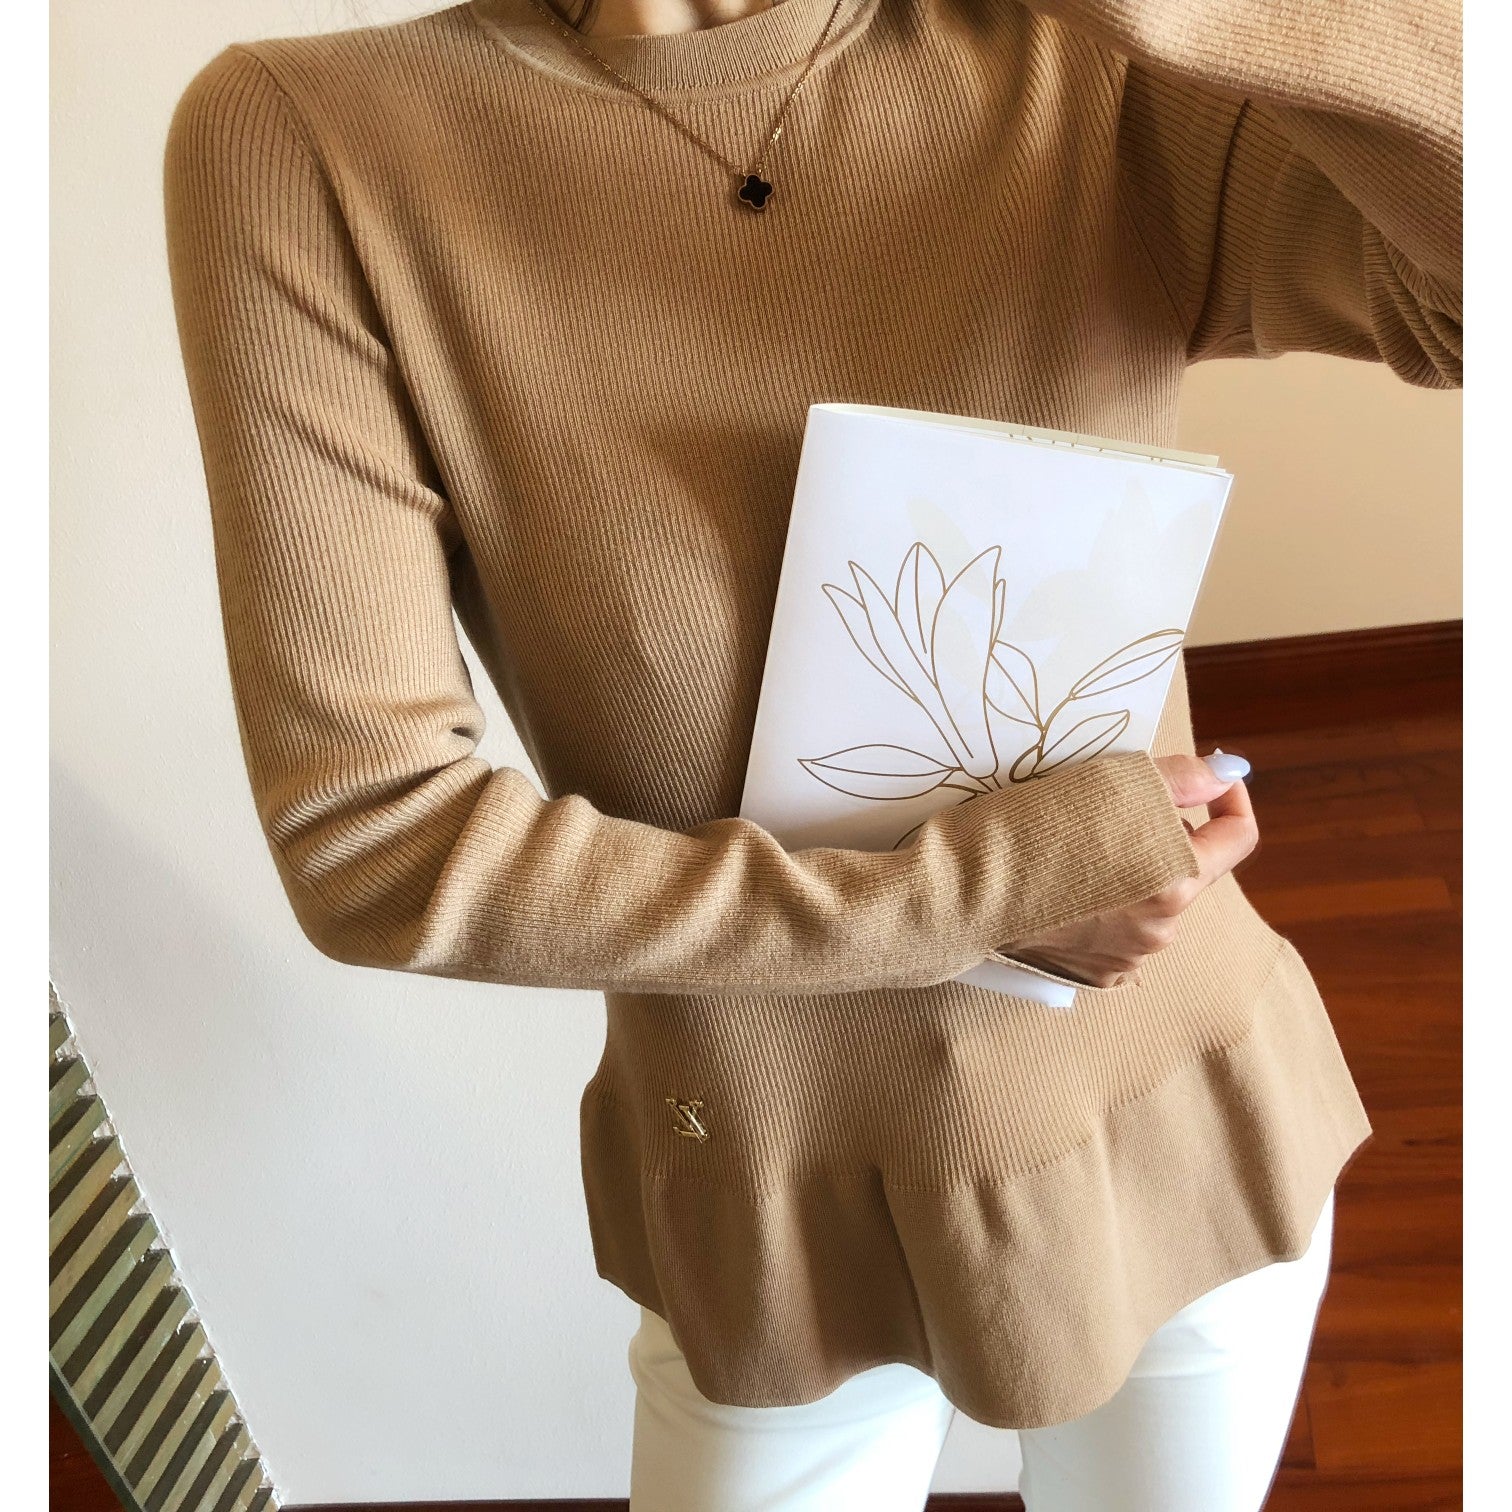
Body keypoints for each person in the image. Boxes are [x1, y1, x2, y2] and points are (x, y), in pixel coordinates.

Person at [160, 0, 1461, 1507]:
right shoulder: (309, 145)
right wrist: (985, 891)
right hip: (766, 1178)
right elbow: (375, 845)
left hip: (1173, 1112)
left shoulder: (1081, 60)